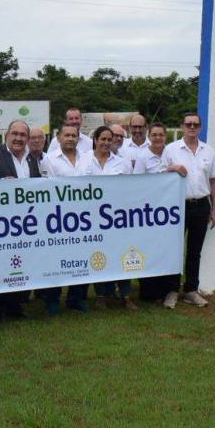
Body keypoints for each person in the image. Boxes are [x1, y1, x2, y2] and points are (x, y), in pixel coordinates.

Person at [160, 113, 215, 309]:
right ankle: (172, 290)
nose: (192, 127)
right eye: (188, 124)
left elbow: (214, 181)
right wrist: (173, 168)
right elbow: (160, 175)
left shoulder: (208, 151)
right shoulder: (171, 149)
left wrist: (214, 209)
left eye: (195, 124)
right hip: (177, 206)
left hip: (201, 205)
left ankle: (191, 290)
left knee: (195, 251)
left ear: (200, 128)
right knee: (174, 250)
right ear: (182, 126)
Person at [0, 120, 43, 322]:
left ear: (27, 138)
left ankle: (15, 305)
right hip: (1, 222)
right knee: (0, 265)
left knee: (20, 264)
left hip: (25, 222)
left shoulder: (32, 158)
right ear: (7, 135)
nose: (18, 138)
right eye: (14, 134)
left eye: (22, 135)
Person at [41, 124, 90, 314]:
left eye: (73, 135)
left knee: (80, 259)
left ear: (78, 138)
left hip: (84, 218)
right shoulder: (49, 160)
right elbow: (48, 190)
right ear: (59, 138)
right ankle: (52, 300)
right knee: (56, 260)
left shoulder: (88, 158)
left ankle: (75, 298)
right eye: (66, 135)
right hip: (58, 218)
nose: (70, 138)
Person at [84, 126, 134, 310]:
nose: (106, 143)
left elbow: (132, 188)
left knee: (121, 254)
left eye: (109, 139)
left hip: (117, 218)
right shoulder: (84, 160)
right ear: (95, 140)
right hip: (93, 219)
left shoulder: (122, 163)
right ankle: (101, 295)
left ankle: (126, 295)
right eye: (102, 139)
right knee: (99, 255)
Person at [133, 123, 173, 303]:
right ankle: (148, 291)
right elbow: (137, 184)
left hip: (169, 210)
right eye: (154, 135)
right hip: (149, 211)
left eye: (161, 135)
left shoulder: (171, 153)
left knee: (165, 250)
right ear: (149, 137)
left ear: (166, 136)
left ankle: (166, 290)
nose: (157, 138)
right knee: (149, 250)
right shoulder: (143, 157)